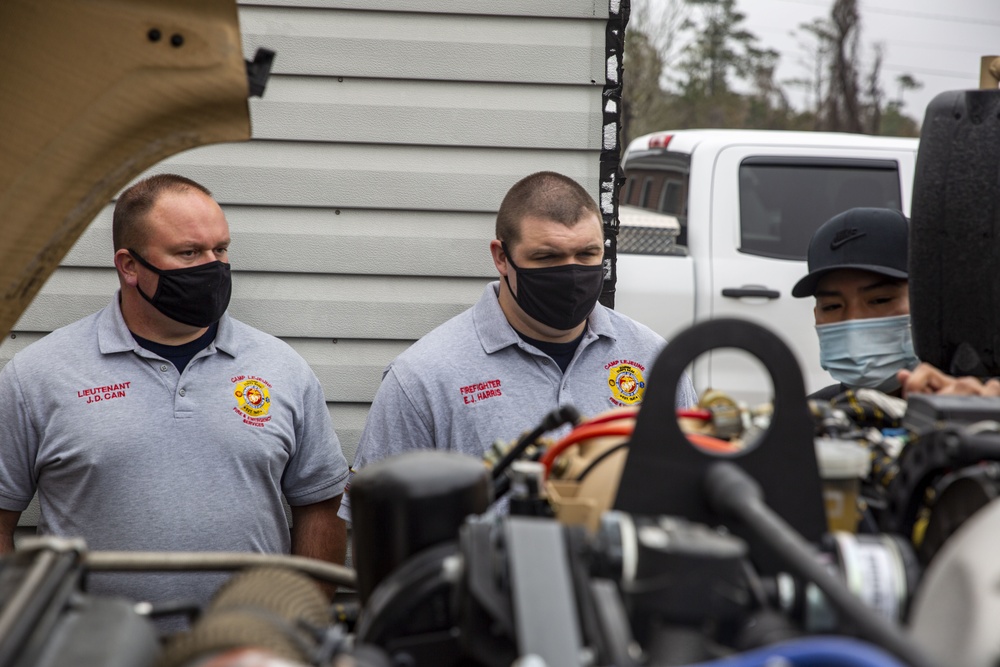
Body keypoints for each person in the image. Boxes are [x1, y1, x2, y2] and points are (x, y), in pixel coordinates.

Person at [0, 174, 349, 614]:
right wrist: (25, 627)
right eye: (189, 253)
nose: (213, 267)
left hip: (242, 651)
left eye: (220, 249)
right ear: (129, 265)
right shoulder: (40, 374)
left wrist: (298, 624)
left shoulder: (281, 368)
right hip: (92, 651)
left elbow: (320, 503)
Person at [339, 171, 698, 521]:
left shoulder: (653, 360)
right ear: (501, 257)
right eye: (547, 258)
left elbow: (693, 493)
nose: (571, 273)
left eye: (587, 254)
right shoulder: (424, 377)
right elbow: (378, 527)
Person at [791, 207, 919, 400]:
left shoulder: (971, 411)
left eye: (879, 300)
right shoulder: (810, 418)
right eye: (832, 306)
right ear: (816, 315)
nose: (853, 321)